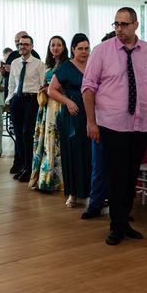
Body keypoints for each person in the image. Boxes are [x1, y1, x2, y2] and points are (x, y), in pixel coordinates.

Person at [82, 7, 147, 246]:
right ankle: (116, 225)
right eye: (116, 24)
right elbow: (88, 88)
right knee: (116, 175)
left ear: (136, 25)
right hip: (112, 123)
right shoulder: (101, 51)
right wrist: (90, 121)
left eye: (124, 24)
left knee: (131, 175)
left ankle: (124, 221)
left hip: (142, 124)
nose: (119, 29)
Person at [49, 34, 92, 207]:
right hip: (72, 114)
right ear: (73, 49)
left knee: (90, 153)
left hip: (92, 113)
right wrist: (67, 102)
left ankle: (93, 192)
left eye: (86, 48)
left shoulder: (93, 65)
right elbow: (51, 90)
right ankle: (73, 193)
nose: (84, 52)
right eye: (80, 48)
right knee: (73, 152)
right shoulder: (66, 67)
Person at [81, 31, 116, 220]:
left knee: (119, 167)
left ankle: (119, 206)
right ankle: (95, 204)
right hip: (101, 120)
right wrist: (91, 121)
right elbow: (88, 90)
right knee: (99, 164)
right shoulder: (98, 62)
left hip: (122, 122)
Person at [6, 35, 45, 183]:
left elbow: (42, 85)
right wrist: (9, 101)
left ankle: (30, 169)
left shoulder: (39, 64)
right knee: (18, 136)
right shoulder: (15, 63)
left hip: (32, 100)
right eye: (20, 44)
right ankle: (23, 167)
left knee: (27, 135)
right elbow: (11, 84)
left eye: (26, 44)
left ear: (32, 47)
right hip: (17, 100)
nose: (22, 47)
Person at [29, 36, 65, 193]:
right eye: (52, 45)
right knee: (46, 142)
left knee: (56, 141)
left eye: (58, 45)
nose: (55, 48)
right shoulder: (47, 67)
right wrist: (43, 89)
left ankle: (58, 180)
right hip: (46, 107)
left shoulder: (67, 66)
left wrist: (52, 89)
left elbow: (67, 87)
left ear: (64, 47)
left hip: (59, 105)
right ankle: (45, 178)